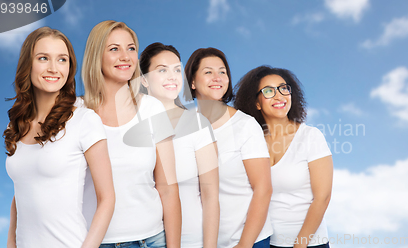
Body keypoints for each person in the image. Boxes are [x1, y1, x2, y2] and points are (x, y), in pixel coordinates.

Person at [4, 27, 115, 248]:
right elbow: (22, 191)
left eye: (62, 60)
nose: (53, 68)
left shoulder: (84, 120)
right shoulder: (16, 124)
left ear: (70, 67)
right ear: (28, 64)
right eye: (43, 58)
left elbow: (107, 199)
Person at [81, 21, 181, 248]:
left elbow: (167, 187)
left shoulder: (153, 109)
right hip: (94, 242)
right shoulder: (76, 113)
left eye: (131, 48)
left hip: (152, 241)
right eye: (114, 49)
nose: (125, 56)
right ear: (97, 55)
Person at [234, 66, 333, 248]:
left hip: (310, 244)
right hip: (265, 242)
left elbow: (323, 197)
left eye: (283, 88)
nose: (279, 96)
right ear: (256, 103)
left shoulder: (311, 136)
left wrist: (300, 245)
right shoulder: (251, 143)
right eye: (269, 91)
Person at [184, 48, 273, 248]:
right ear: (192, 81)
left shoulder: (245, 126)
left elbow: (264, 189)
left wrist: (244, 245)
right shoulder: (184, 126)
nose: (217, 77)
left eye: (222, 72)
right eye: (208, 72)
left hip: (248, 241)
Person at [139, 42, 219, 248]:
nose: (172, 76)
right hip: (142, 238)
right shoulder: (133, 125)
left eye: (176, 69)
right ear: (144, 80)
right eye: (162, 70)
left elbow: (210, 197)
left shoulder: (198, 124)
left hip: (191, 240)